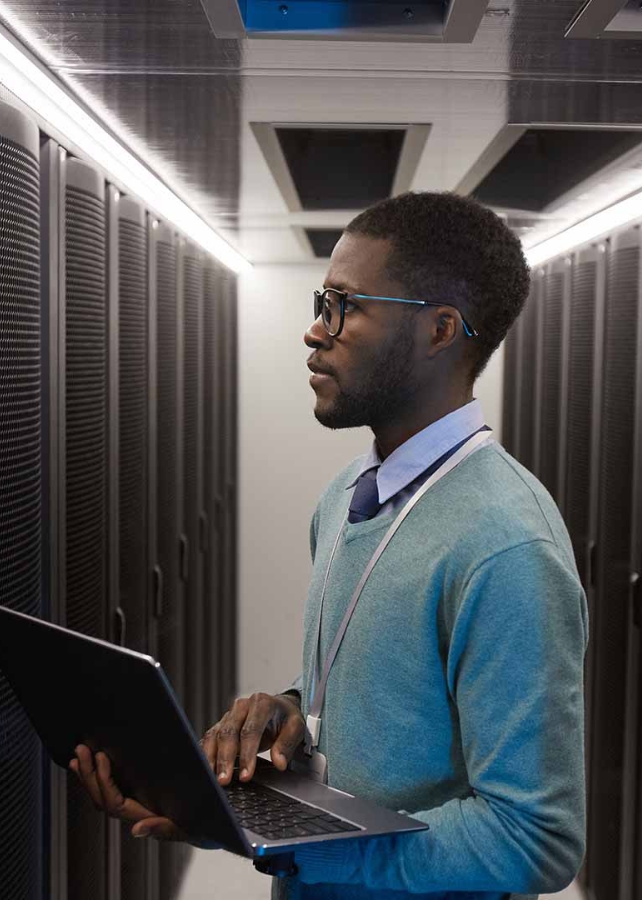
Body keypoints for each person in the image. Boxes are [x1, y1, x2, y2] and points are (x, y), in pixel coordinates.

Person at [72, 191, 588, 899]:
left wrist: (303, 850)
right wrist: (291, 713)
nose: (316, 331)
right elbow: (388, 705)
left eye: (345, 305)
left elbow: (536, 838)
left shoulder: (507, 545)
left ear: (440, 329)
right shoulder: (348, 491)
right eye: (322, 302)